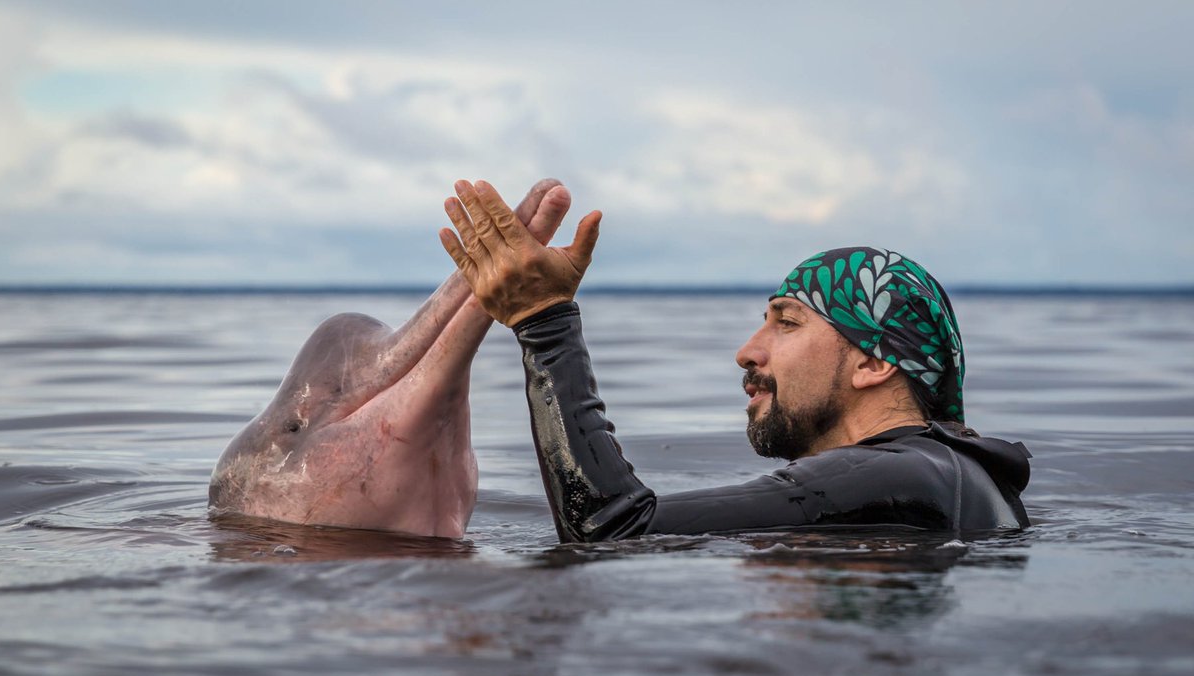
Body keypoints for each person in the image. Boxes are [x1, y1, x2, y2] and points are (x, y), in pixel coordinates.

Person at [440, 180, 1031, 543]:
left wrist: (544, 323)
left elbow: (612, 529)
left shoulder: (891, 474)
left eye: (788, 322)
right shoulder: (952, 477)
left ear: (874, 364)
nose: (747, 351)